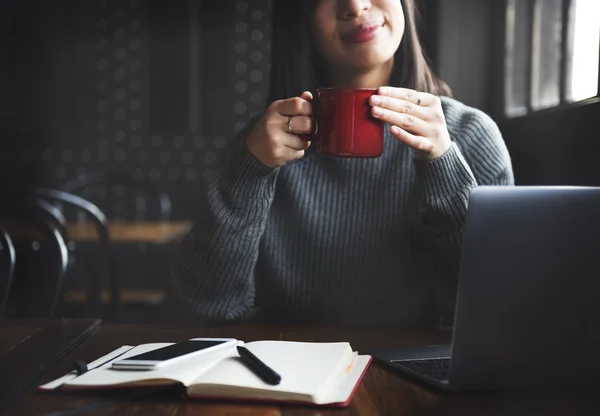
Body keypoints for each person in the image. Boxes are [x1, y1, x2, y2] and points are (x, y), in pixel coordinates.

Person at [173, 0, 514, 327]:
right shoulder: (260, 145)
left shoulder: (470, 136)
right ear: (301, 18)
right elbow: (210, 308)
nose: (354, 4)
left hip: (418, 376)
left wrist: (443, 164)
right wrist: (248, 172)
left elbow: (495, 310)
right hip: (288, 374)